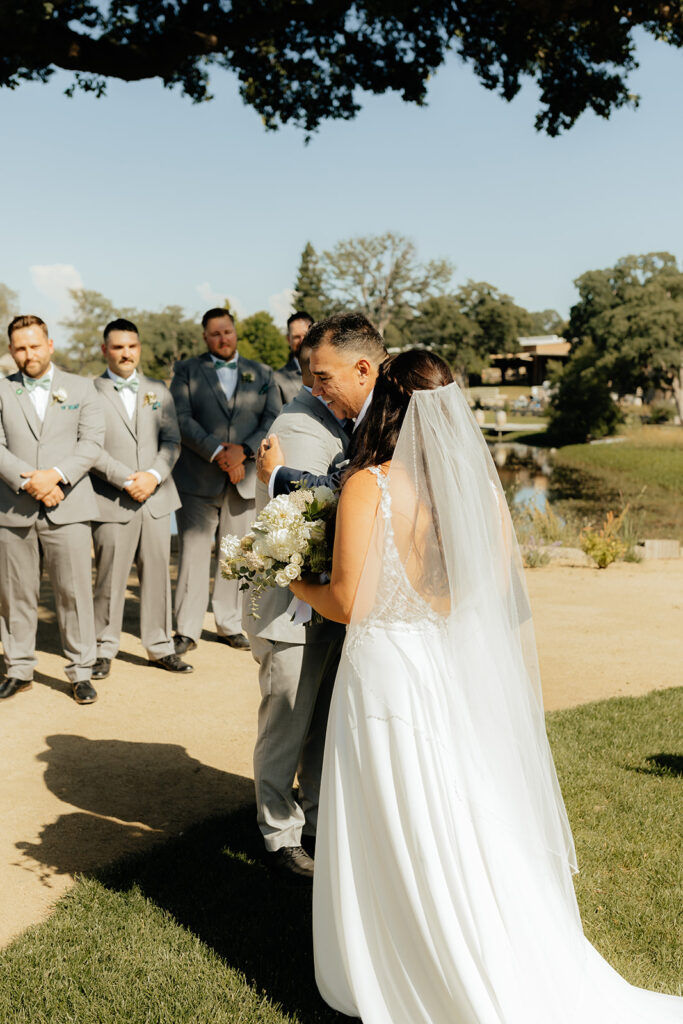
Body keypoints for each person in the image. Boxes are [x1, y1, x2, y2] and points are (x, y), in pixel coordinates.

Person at [290, 349, 683, 1023]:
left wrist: (292, 579)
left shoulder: (369, 485)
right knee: (452, 805)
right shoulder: (476, 492)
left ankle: (405, 961)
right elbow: (491, 587)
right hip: (440, 665)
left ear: (387, 402)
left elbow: (348, 602)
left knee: (391, 810)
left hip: (383, 669)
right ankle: (479, 937)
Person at [244, 337, 350, 880]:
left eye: (324, 375)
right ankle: (278, 834)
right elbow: (317, 510)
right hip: (290, 607)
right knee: (286, 720)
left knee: (321, 721)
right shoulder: (297, 427)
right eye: (313, 374)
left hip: (330, 601)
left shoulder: (344, 419)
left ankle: (312, 818)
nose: (316, 384)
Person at [0, 315, 104, 705]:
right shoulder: (1, 389)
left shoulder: (82, 387)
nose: (29, 354)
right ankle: (19, 668)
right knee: (15, 594)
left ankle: (81, 671)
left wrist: (55, 478)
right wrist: (30, 483)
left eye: (35, 345)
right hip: (14, 506)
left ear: (50, 344)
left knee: (73, 592)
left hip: (70, 504)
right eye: (21, 348)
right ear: (12, 351)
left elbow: (91, 443)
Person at [170, 308, 281, 654]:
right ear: (205, 337)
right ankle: (186, 629)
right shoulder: (186, 371)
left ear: (236, 332)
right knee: (193, 554)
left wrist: (244, 452)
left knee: (235, 554)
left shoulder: (261, 373)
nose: (223, 339)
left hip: (244, 477)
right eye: (215, 333)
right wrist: (218, 452)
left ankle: (229, 623)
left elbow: (273, 416)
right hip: (198, 476)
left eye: (228, 332)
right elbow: (181, 417)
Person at [90, 318, 192, 680]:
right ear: (105, 350)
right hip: (111, 499)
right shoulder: (89, 391)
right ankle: (102, 648)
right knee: (108, 578)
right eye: (117, 347)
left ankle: (160, 646)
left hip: (155, 498)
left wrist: (152, 476)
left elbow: (172, 440)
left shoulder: (157, 390)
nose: (125, 353)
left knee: (156, 576)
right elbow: (88, 447)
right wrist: (123, 478)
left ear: (139, 348)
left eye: (131, 346)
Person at [256, 311, 386, 497]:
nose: (315, 391)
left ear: (362, 370)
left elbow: (350, 487)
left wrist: (276, 475)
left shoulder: (392, 416)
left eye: (323, 377)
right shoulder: (299, 426)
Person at [273, 311, 313, 404]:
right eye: (296, 337)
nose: (302, 340)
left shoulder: (332, 370)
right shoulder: (276, 379)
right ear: (288, 339)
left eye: (306, 335)